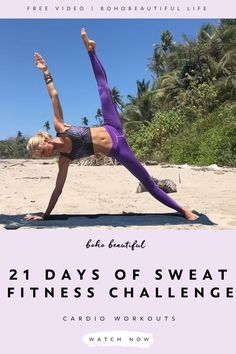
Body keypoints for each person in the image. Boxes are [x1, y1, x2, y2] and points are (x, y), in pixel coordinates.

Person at [25, 29, 198, 221]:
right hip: (118, 150)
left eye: (41, 150)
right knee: (147, 181)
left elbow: (54, 95)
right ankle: (183, 210)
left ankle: (90, 50)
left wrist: (46, 72)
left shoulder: (60, 126)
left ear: (46, 139)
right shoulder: (64, 160)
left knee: (104, 90)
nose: (43, 155)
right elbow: (58, 189)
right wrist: (45, 215)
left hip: (111, 126)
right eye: (39, 155)